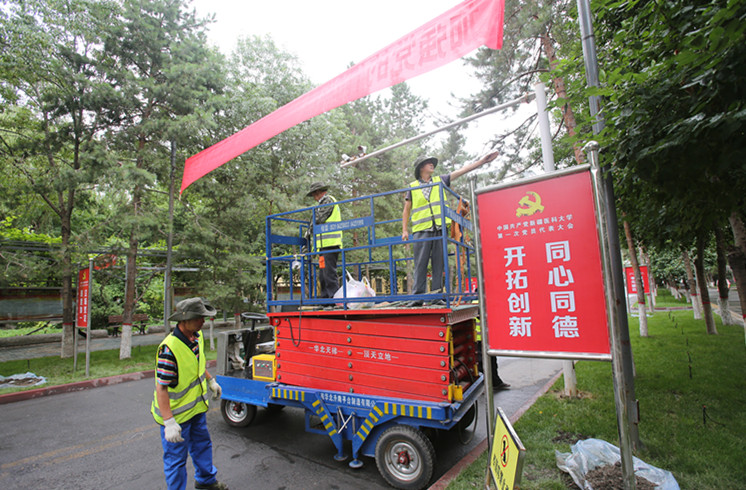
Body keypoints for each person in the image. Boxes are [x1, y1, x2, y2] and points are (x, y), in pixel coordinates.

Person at [151, 297, 228, 490]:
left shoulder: (196, 335)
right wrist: (169, 422)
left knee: (202, 446)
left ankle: (205, 481)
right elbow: (162, 387)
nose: (203, 321)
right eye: (199, 317)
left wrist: (210, 380)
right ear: (184, 320)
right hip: (176, 417)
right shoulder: (169, 349)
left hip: (196, 409)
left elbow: (196, 364)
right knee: (176, 460)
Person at [401, 152, 499, 303]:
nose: (432, 164)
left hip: (440, 229)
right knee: (420, 263)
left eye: (432, 162)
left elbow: (460, 171)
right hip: (422, 230)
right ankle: (418, 297)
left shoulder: (439, 180)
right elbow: (406, 210)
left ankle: (437, 296)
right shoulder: (412, 187)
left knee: (439, 263)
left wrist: (481, 161)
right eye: (428, 162)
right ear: (421, 167)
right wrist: (404, 230)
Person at [305, 182, 343, 299]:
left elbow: (319, 219)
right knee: (323, 274)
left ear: (319, 192)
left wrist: (309, 230)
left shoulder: (328, 200)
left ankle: (334, 299)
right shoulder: (321, 204)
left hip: (331, 244)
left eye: (314, 195)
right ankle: (326, 299)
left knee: (329, 273)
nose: (314, 198)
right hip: (323, 246)